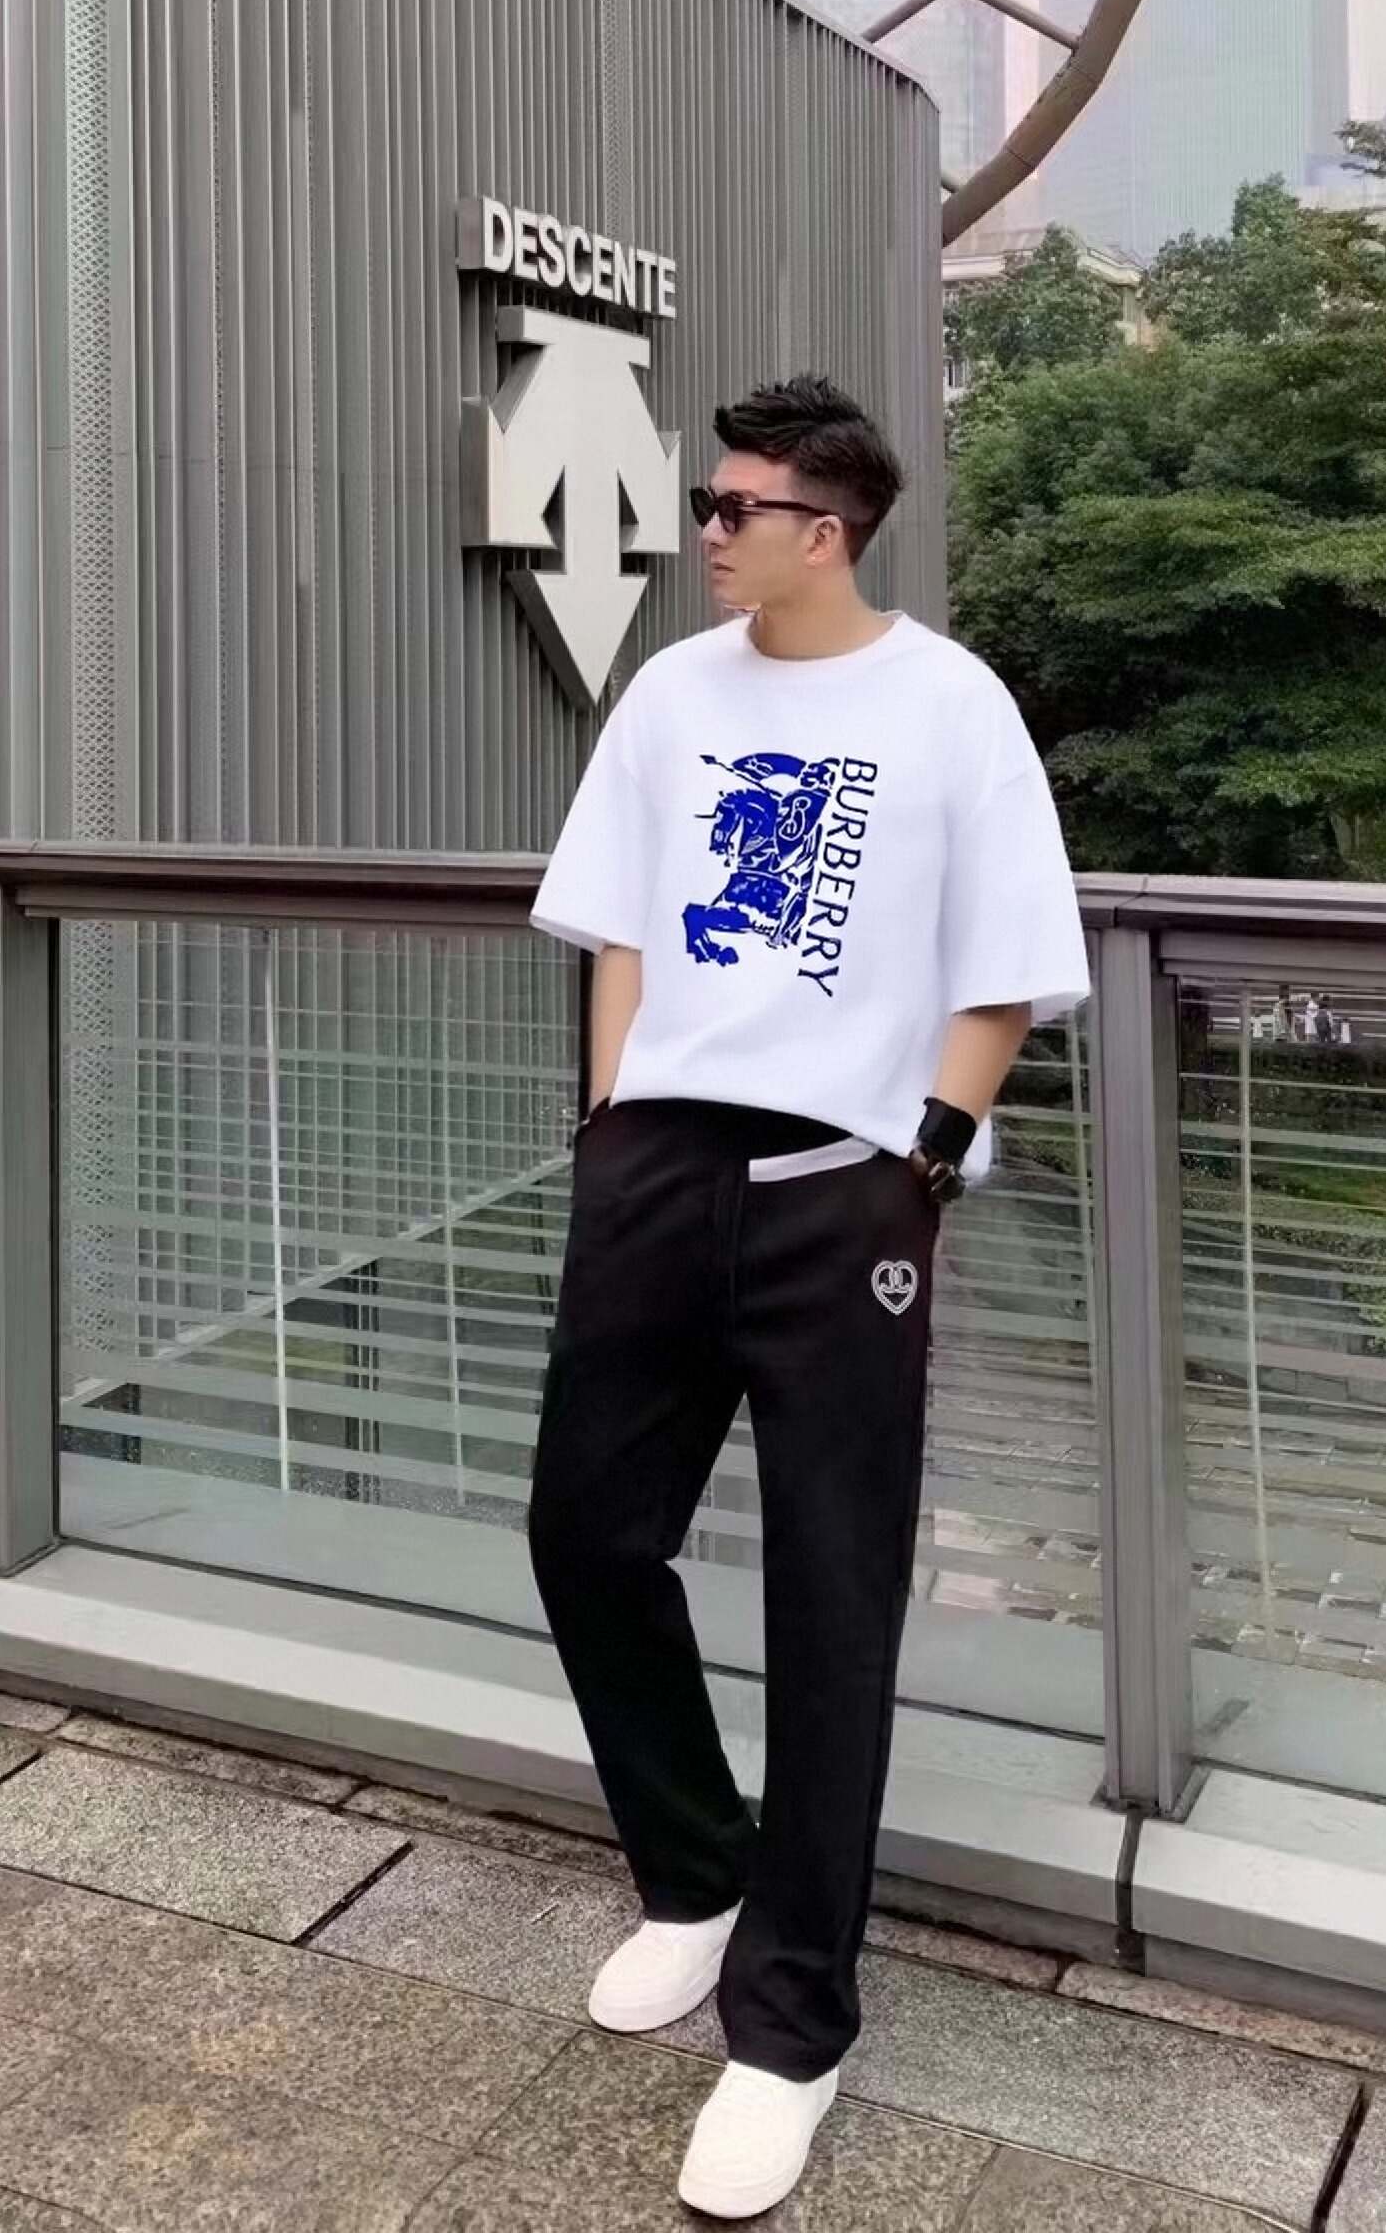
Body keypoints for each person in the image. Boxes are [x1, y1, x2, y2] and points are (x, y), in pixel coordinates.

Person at [526, 373, 1091, 2219]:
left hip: (847, 1190)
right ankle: (698, 1872)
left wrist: (922, 1154)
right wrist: (610, 1127)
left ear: (823, 532)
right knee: (586, 1533)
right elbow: (620, 927)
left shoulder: (951, 706)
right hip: (658, 1170)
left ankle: (790, 2028)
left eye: (733, 507)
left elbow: (1004, 964)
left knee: (832, 1599)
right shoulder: (673, 699)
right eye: (706, 501)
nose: (704, 530)